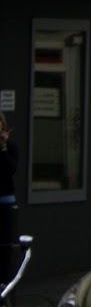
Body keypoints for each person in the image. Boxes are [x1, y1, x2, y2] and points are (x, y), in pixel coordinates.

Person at [0, 112, 18, 286]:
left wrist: (3, 147)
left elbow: (10, 169)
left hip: (5, 200)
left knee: (5, 246)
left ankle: (4, 282)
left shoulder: (11, 147)